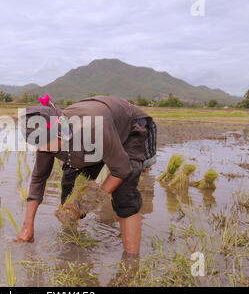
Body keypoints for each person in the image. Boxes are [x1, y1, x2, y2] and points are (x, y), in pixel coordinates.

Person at [17, 94, 157, 256]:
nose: (41, 150)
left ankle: (131, 263)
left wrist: (85, 205)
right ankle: (71, 248)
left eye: (43, 144)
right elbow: (38, 178)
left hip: (127, 128)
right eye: (37, 145)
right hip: (93, 138)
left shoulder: (92, 129)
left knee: (124, 195)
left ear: (59, 132)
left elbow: (122, 170)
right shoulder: (45, 138)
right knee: (70, 187)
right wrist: (28, 226)